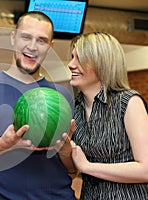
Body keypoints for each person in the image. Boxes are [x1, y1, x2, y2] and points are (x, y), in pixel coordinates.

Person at [0, 11, 77, 199]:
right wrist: (4, 145)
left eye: (42, 41)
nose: (32, 46)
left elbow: (72, 170)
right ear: (13, 38)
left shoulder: (62, 95)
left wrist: (65, 149)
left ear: (50, 46)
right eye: (26, 37)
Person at [68, 32, 148, 200]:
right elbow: (73, 167)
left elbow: (145, 169)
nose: (70, 64)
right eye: (72, 57)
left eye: (79, 59)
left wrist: (87, 167)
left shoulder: (128, 103)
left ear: (101, 64)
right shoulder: (74, 108)